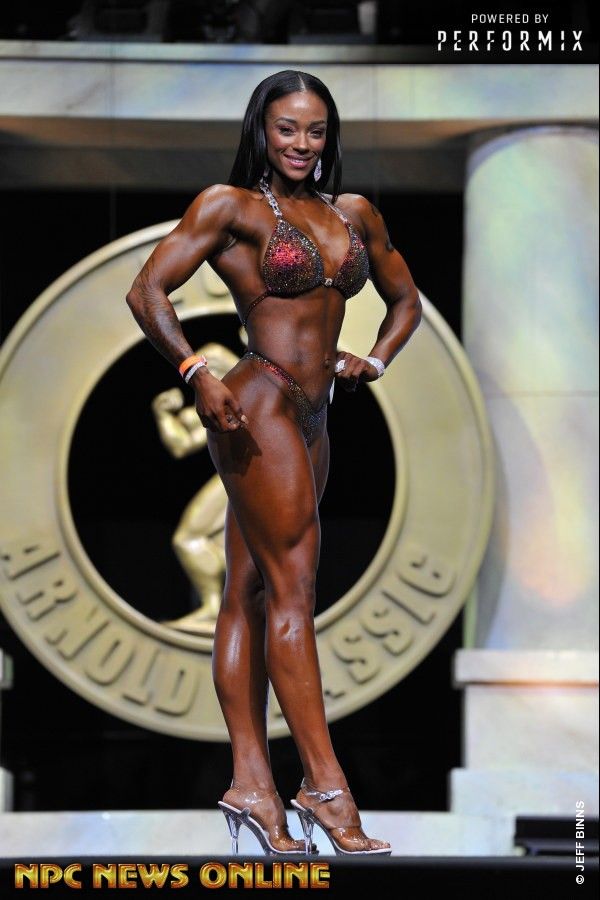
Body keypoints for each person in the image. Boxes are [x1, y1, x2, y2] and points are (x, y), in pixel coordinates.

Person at [126, 69, 422, 856]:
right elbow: (148, 290)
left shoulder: (353, 213)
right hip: (257, 401)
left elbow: (406, 300)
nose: (301, 143)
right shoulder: (231, 207)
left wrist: (375, 360)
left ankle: (252, 784)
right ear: (262, 130)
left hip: (316, 413)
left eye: (315, 130)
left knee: (249, 591)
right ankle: (325, 784)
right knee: (294, 590)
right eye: (287, 128)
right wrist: (196, 372)